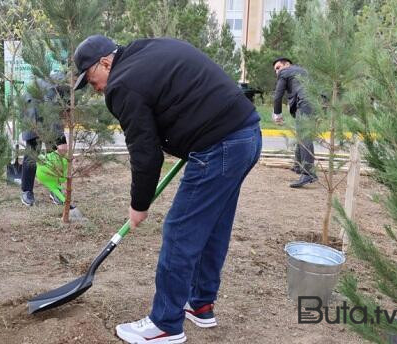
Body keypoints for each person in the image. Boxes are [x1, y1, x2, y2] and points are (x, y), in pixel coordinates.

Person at [74, 35, 262, 344]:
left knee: (180, 231)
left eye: (92, 81)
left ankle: (165, 324)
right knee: (213, 226)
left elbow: (145, 152)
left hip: (220, 145)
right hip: (247, 135)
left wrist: (139, 204)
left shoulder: (122, 84)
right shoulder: (148, 48)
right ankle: (200, 304)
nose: (96, 89)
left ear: (105, 63)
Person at [20, 74, 69, 206]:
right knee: (32, 150)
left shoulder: (67, 85)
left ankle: (54, 190)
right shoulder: (57, 86)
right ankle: (26, 191)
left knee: (53, 153)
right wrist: (61, 139)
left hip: (42, 109)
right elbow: (51, 111)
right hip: (32, 109)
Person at [272, 57, 317, 188]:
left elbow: (277, 96)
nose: (277, 72)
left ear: (287, 65)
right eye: (275, 70)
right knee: (302, 134)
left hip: (305, 103)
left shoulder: (285, 72)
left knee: (304, 136)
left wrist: (277, 114)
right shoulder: (303, 71)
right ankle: (298, 165)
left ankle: (308, 173)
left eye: (278, 67)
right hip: (316, 103)